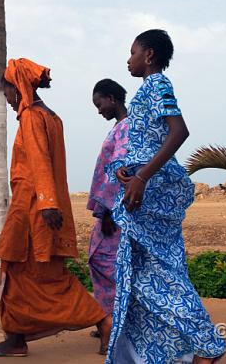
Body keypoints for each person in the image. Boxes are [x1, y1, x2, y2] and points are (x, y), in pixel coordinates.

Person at [0, 58, 112, 357]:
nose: (8, 100)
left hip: (31, 210)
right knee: (22, 275)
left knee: (36, 277)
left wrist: (47, 204)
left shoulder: (32, 118)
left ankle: (103, 321)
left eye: (8, 93)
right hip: (38, 207)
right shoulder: (53, 117)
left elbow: (39, 163)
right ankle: (16, 339)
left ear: (18, 87)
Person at [105, 30, 226, 364]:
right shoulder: (147, 89)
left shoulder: (158, 84)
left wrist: (142, 176)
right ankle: (174, 351)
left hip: (150, 191)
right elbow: (148, 140)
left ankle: (207, 346)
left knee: (158, 273)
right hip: (143, 186)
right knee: (143, 273)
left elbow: (179, 131)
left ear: (149, 55)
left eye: (132, 52)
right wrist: (126, 170)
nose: (127, 59)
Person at [87, 79, 129, 317]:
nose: (99, 110)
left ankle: (115, 319)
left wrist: (107, 211)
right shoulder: (119, 127)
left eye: (99, 104)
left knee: (107, 262)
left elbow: (119, 171)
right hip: (111, 208)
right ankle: (111, 317)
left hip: (114, 211)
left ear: (112, 99)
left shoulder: (126, 128)